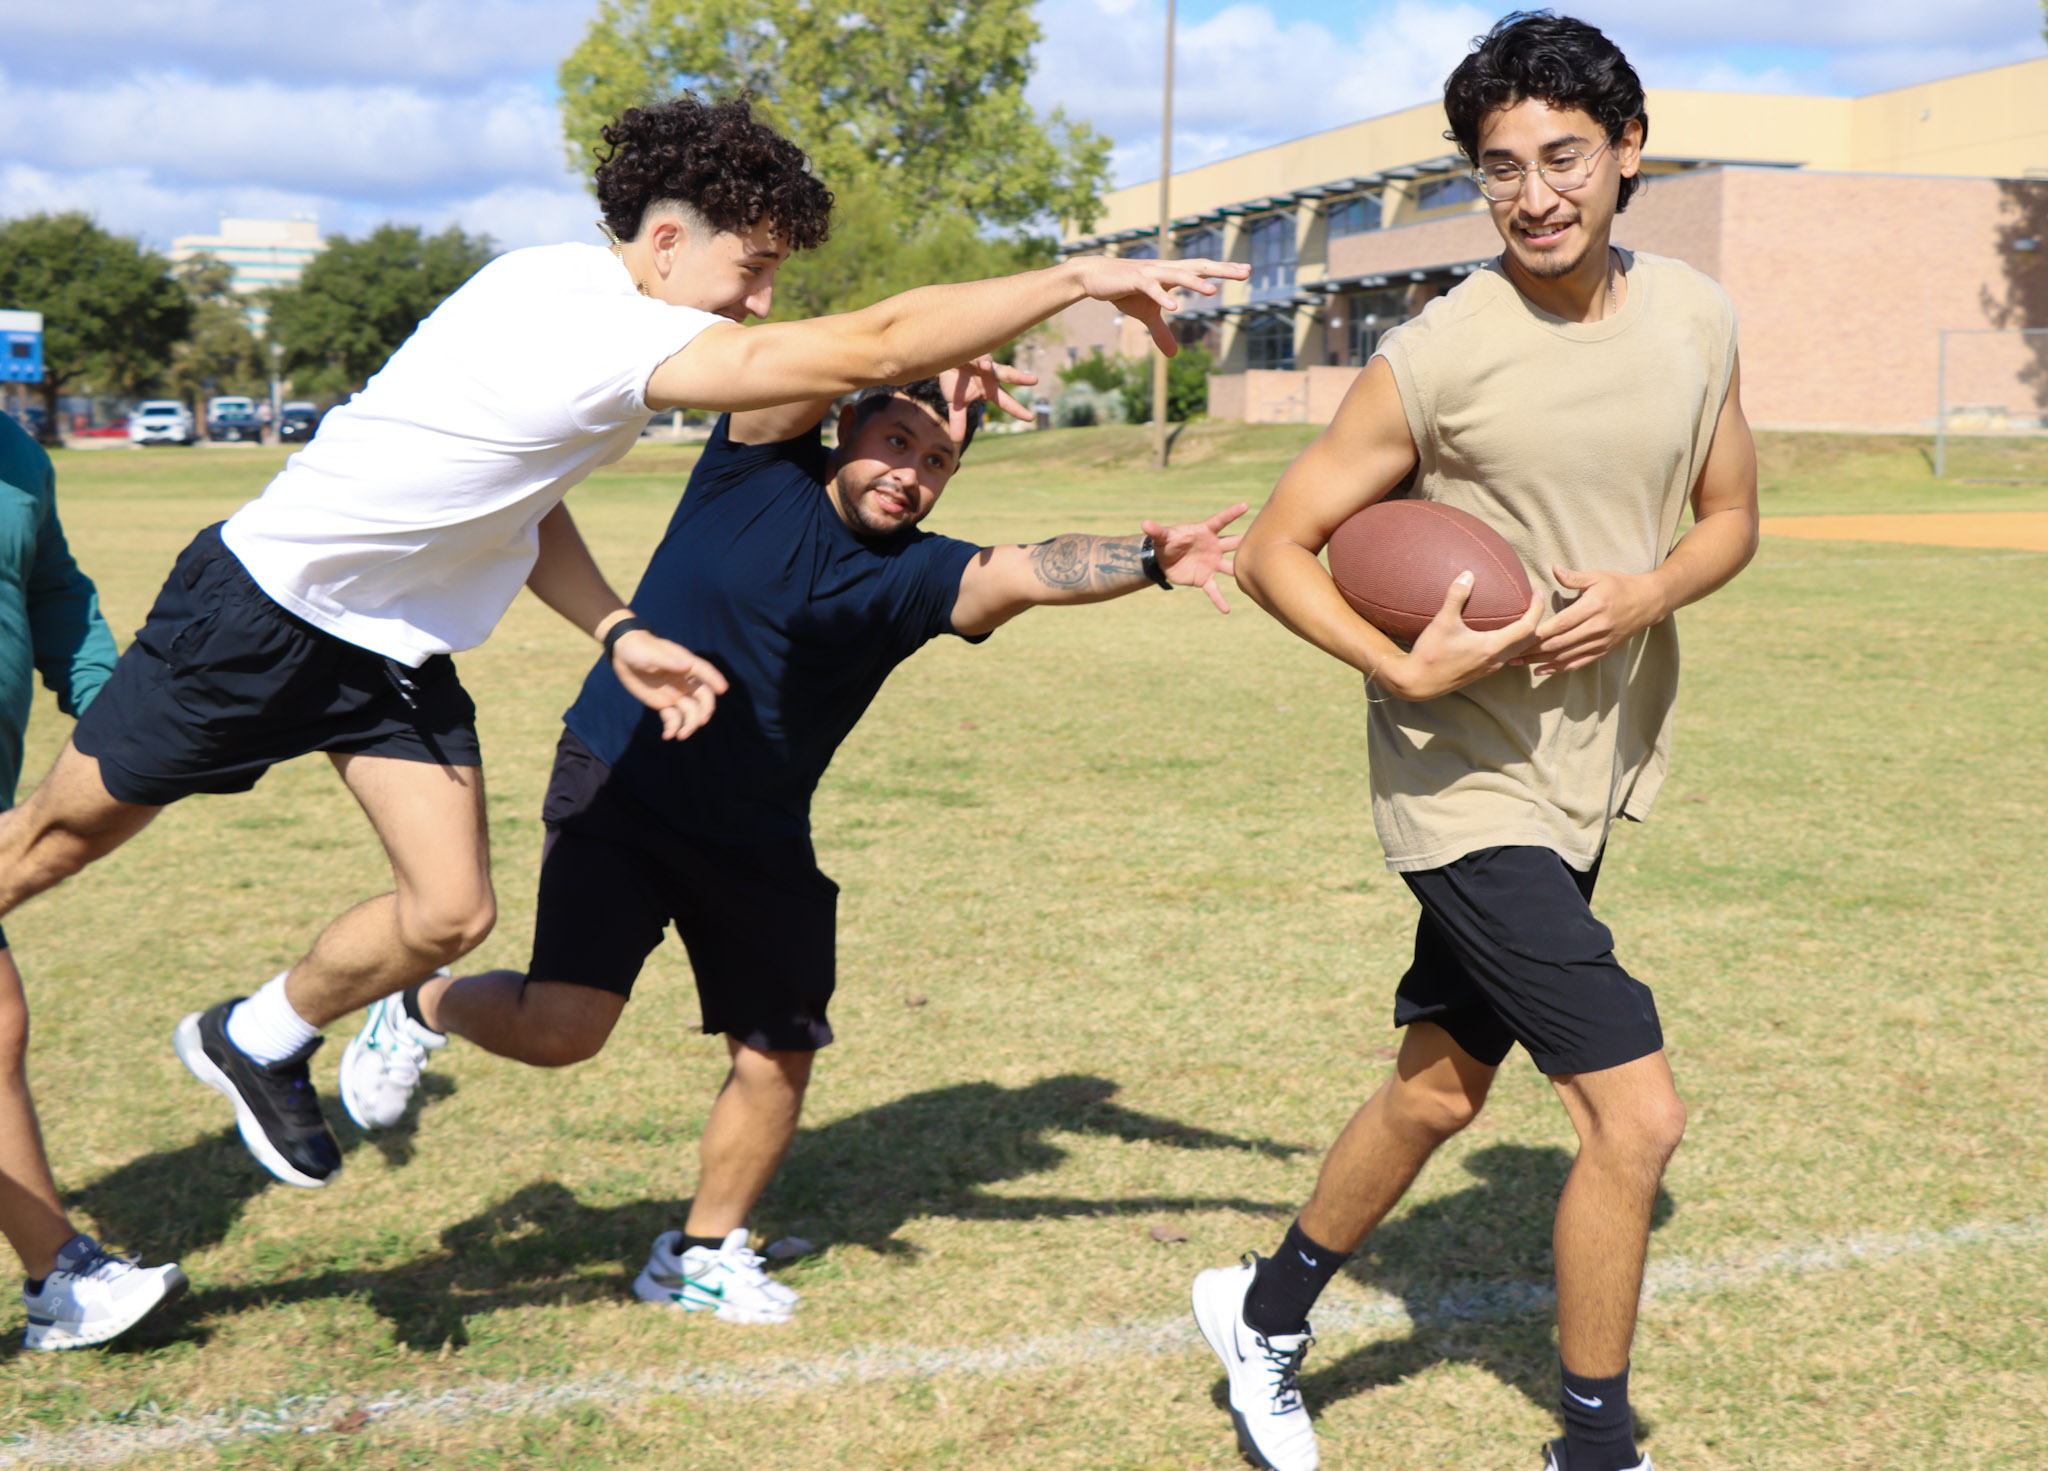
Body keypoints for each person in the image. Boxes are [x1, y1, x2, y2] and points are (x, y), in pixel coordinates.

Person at [0, 94, 1242, 1206]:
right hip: (267, 610)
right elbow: (860, 349)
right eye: (750, 269)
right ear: (665, 243)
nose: (759, 300)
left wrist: (618, 630)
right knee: (49, 847)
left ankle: (257, 1032)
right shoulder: (586, 323)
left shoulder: (580, 314)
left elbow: (517, 507)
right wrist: (1077, 275)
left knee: (450, 912)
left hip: (389, 654)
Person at [334, 371, 1245, 1322]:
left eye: (938, 461)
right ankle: (423, 1004)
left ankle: (698, 1251)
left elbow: (1024, 567)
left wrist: (1147, 557)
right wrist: (955, 338)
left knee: (776, 1050)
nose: (912, 475)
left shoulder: (918, 573)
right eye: (896, 441)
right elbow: (818, 358)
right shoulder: (753, 467)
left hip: (759, 826)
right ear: (845, 422)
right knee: (566, 1029)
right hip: (624, 778)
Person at [1189, 14, 1758, 1471]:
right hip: (1464, 784)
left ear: (1629, 152)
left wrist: (1648, 589)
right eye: (1499, 168)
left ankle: (1262, 1311)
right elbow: (1275, 547)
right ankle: (1593, 1443)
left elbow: (1732, 517)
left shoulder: (1696, 315)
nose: (1535, 193)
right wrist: (1403, 664)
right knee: (1638, 1116)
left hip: (1583, 775)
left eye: (1564, 156)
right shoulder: (1439, 351)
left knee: (1441, 1081)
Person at [0, 413, 186, 1350]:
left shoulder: (16, 451)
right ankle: (60, 1276)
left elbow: (54, 590)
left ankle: (59, 1278)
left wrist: (109, 698)